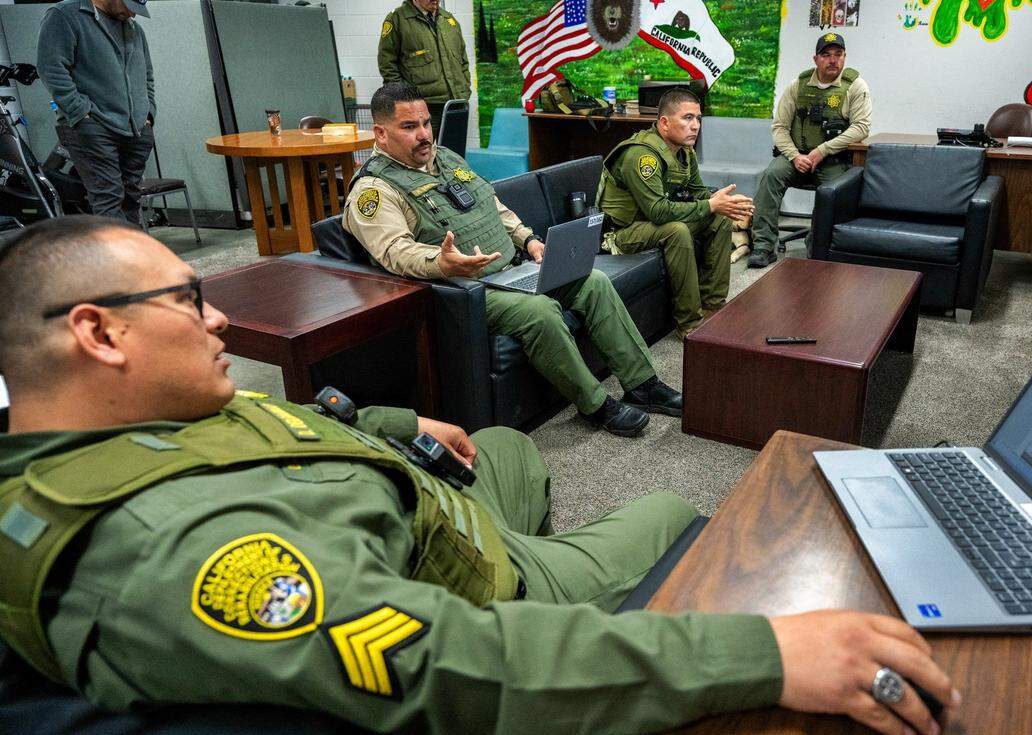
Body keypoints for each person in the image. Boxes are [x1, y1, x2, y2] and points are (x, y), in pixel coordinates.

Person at [0, 215, 960, 735]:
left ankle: (545, 534)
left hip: (414, 497)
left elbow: (276, 420)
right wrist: (765, 655)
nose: (217, 323)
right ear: (98, 330)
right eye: (189, 299)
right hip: (472, 581)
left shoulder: (133, 423)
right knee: (670, 501)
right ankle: (570, 580)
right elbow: (446, 663)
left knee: (505, 447)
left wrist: (394, 419)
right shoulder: (174, 553)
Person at [343, 83, 680, 437]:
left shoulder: (446, 158)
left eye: (426, 123)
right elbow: (395, 252)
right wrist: (443, 262)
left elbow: (493, 207)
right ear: (380, 134)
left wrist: (530, 240)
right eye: (409, 127)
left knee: (592, 281)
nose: (424, 134)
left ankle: (643, 383)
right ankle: (596, 404)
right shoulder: (374, 191)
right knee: (541, 312)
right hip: (462, 291)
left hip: (509, 271)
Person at [597, 89, 754, 339]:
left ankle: (712, 305)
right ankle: (689, 324)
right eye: (688, 118)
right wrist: (710, 205)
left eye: (698, 119)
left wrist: (721, 201)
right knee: (676, 230)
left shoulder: (683, 151)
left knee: (721, 218)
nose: (695, 126)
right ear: (664, 123)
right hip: (622, 233)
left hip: (651, 223)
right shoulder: (642, 156)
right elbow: (658, 212)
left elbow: (697, 192)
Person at [36, 0, 156, 224]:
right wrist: (81, 113)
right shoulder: (65, 17)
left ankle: (139, 261)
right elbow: (51, 69)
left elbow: (146, 74)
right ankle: (120, 264)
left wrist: (148, 114)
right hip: (93, 128)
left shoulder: (133, 29)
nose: (131, 12)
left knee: (131, 198)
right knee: (108, 200)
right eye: (127, 4)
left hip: (134, 130)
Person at [749, 32, 872, 267]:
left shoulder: (855, 86)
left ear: (845, 57)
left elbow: (861, 128)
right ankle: (763, 246)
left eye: (838, 54)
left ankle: (816, 245)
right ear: (816, 58)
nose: (833, 60)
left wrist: (822, 151)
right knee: (770, 176)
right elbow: (779, 127)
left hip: (833, 160)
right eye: (826, 55)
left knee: (834, 191)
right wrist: (795, 156)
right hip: (797, 157)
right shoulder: (798, 86)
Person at [377, 0, 471, 138]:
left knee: (453, 156)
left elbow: (463, 61)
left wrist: (465, 90)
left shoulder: (449, 21)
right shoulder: (398, 19)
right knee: (424, 159)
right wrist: (406, 100)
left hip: (456, 105)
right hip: (422, 109)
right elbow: (387, 64)